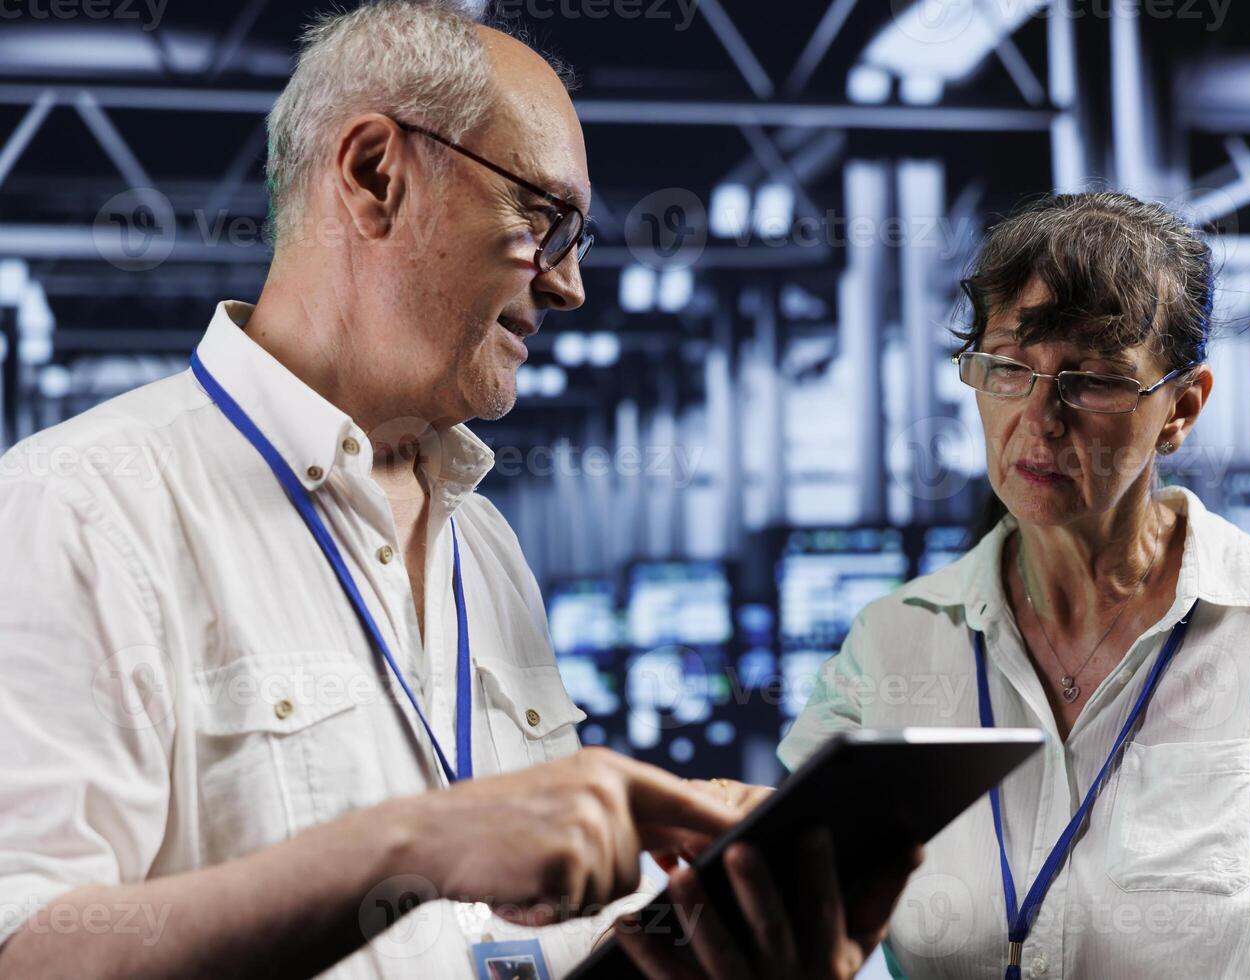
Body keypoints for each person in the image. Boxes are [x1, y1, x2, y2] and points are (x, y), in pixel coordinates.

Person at [0, 3, 920, 978]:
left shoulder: (485, 546)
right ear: (374, 175)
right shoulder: (80, 509)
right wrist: (421, 842)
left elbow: (503, 940)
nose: (568, 285)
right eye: (544, 220)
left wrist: (687, 935)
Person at [779, 191, 1250, 980]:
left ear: (1181, 408)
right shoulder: (895, 643)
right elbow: (783, 917)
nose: (1039, 417)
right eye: (1007, 368)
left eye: (1091, 380)